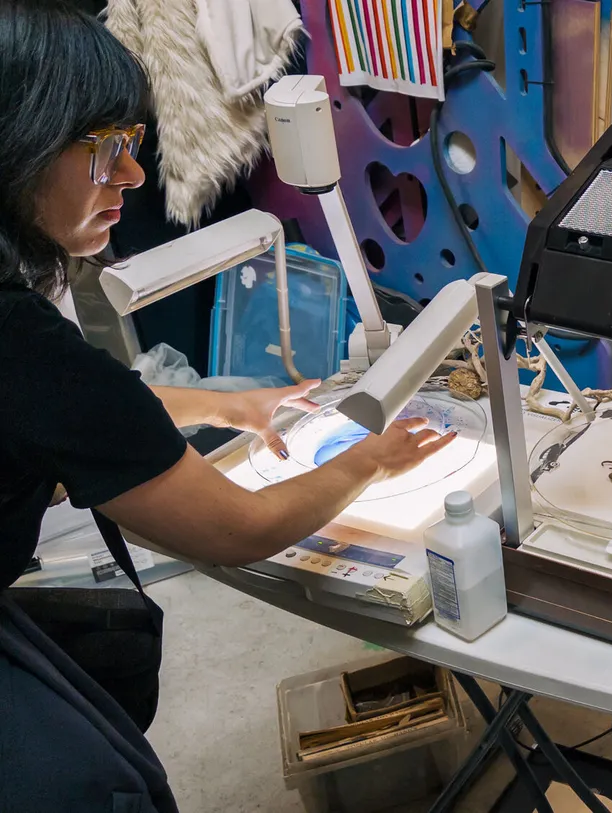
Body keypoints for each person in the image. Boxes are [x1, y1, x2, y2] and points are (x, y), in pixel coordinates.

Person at [0, 2, 455, 809]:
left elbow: (69, 422)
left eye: (134, 148)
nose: (134, 179)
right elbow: (236, 530)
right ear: (19, 147)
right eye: (108, 152)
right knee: (112, 788)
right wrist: (371, 458)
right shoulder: (21, 337)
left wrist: (226, 408)